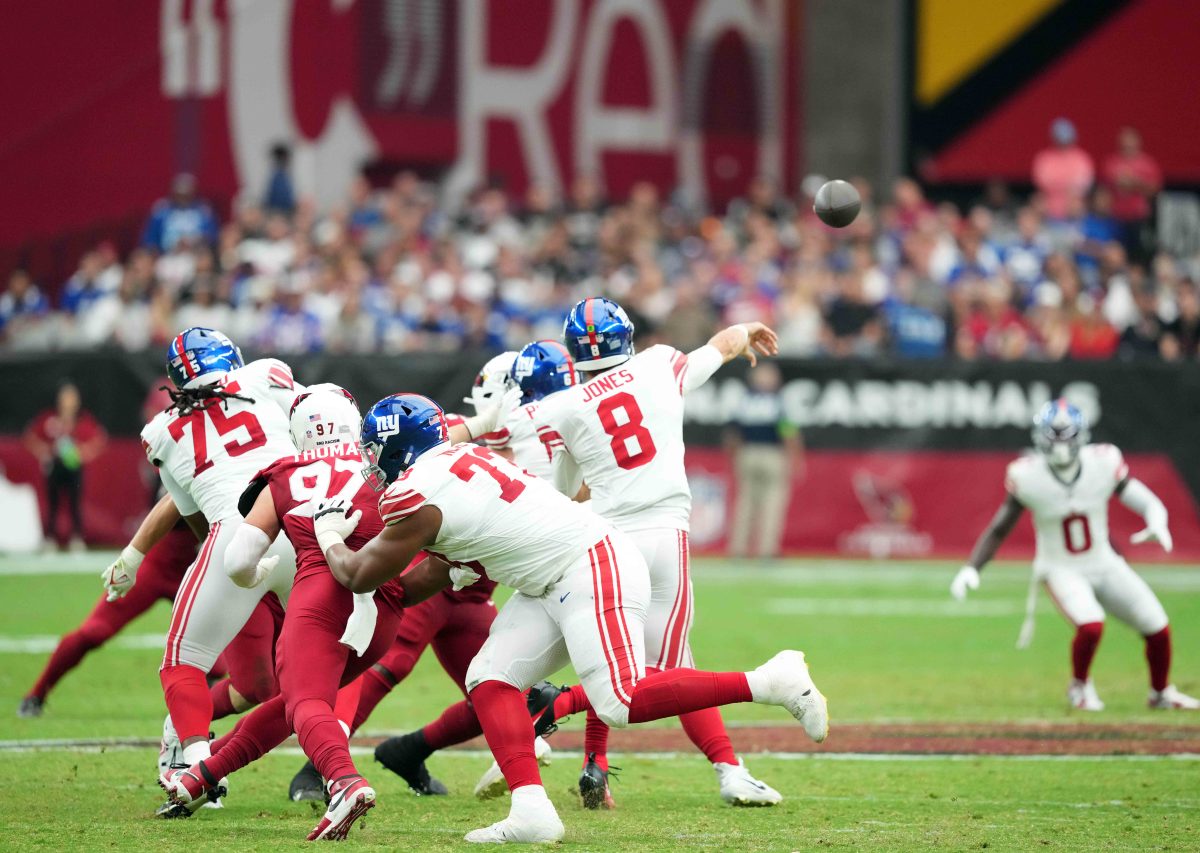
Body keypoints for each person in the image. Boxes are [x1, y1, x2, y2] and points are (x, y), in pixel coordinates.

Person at [298, 392, 825, 843]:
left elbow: (362, 574)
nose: (369, 461)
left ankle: (770, 681)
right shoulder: (460, 462)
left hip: (590, 565)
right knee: (490, 679)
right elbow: (420, 582)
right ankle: (531, 811)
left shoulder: (419, 493)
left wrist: (326, 535)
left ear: (397, 445)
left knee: (620, 701)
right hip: (554, 577)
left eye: (374, 450)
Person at [531, 298, 788, 808]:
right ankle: (728, 769)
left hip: (605, 541)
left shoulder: (563, 407)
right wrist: (745, 328)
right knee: (674, 672)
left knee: (614, 660)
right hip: (664, 536)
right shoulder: (658, 364)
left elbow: (562, 494)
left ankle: (595, 763)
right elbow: (721, 346)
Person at [161, 387, 408, 839]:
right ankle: (202, 777)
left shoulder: (285, 473)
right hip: (383, 610)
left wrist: (255, 577)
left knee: (305, 702)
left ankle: (343, 781)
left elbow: (237, 560)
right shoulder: (386, 466)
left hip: (320, 600)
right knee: (294, 701)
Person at [950, 399, 1198, 711]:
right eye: (1052, 435)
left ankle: (1160, 693)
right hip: (1060, 567)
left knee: (1158, 627)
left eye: (1065, 435)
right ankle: (1079, 687)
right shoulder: (1028, 475)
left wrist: (1156, 516)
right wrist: (972, 568)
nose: (1059, 444)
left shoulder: (1102, 462)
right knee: (1091, 624)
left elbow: (1137, 495)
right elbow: (1000, 528)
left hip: (1104, 562)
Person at [18, 521, 198, 718]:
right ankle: (36, 694)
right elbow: (167, 506)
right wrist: (131, 558)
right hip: (156, 566)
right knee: (94, 632)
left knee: (218, 661)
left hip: (198, 569)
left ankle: (197, 718)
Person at [725, 362, 803, 558]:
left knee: (745, 503)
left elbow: (733, 434)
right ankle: (767, 550)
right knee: (772, 503)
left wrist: (734, 456)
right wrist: (795, 457)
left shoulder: (744, 401)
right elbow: (788, 433)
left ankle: (738, 548)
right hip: (772, 454)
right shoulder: (778, 401)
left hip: (747, 453)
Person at [24, 382, 107, 550]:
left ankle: (77, 538)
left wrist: (83, 452)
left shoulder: (83, 421)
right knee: (52, 505)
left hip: (73, 467)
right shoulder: (50, 419)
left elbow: (100, 439)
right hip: (54, 466)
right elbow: (30, 437)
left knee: (75, 504)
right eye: (65, 398)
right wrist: (44, 451)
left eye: (71, 398)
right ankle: (50, 538)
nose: (68, 401)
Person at [1103, 127, 1161, 260]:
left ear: (1138, 142)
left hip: (1138, 217)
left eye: (1131, 141)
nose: (1128, 145)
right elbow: (1110, 186)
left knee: (1139, 252)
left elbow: (1154, 188)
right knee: (1117, 251)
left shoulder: (1147, 164)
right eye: (1125, 142)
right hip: (1116, 217)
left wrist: (1136, 183)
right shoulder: (1112, 162)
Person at [1032, 118, 1094, 221]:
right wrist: (1067, 185)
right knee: (1037, 203)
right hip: (1048, 212)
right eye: (1059, 138)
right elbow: (1042, 182)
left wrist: (1058, 184)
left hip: (1074, 211)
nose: (1062, 142)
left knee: (1077, 206)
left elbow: (1083, 184)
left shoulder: (1081, 158)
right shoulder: (1044, 158)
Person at [141, 173, 219, 253]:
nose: (183, 199)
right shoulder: (161, 212)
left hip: (195, 256)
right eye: (180, 195)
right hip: (166, 257)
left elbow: (212, 237)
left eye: (186, 195)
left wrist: (193, 242)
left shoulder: (204, 212)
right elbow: (149, 240)